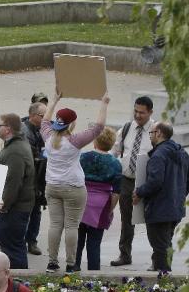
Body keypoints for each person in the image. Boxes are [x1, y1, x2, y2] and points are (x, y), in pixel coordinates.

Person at [41, 92, 109, 273]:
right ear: (72, 124)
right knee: (72, 226)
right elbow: (98, 127)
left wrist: (54, 101)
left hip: (52, 186)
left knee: (55, 225)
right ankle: (71, 264)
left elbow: (44, 122)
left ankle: (52, 263)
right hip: (73, 187)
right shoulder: (75, 141)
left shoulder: (48, 138)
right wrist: (104, 103)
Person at [134, 121, 189, 272]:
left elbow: (155, 182)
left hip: (160, 208)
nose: (150, 136)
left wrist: (139, 191)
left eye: (151, 133)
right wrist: (179, 196)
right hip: (176, 207)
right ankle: (160, 268)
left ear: (159, 133)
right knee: (165, 242)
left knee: (159, 245)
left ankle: (162, 276)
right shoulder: (182, 153)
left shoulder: (158, 155)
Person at [110, 96, 156, 267]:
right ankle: (125, 254)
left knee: (152, 219)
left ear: (150, 112)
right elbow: (114, 152)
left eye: (142, 112)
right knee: (127, 219)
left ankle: (157, 258)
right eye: (135, 111)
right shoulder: (127, 128)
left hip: (148, 181)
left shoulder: (156, 130)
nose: (137, 115)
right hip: (127, 180)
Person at [75, 128, 122, 271]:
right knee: (94, 243)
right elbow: (116, 193)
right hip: (101, 205)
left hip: (81, 200)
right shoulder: (115, 164)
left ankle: (73, 267)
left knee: (77, 239)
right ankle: (94, 273)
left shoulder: (83, 157)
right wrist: (110, 210)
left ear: (94, 141)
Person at [0, 113, 35, 270]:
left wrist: (4, 205)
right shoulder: (16, 145)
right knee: (13, 246)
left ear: (8, 129)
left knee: (12, 248)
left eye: (0, 125)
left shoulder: (15, 151)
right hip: (18, 207)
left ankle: (19, 280)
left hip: (14, 209)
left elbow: (13, 182)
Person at [22, 101, 48, 256]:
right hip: (29, 178)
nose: (46, 119)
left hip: (39, 178)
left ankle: (32, 240)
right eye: (42, 116)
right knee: (27, 211)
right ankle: (26, 240)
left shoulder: (41, 130)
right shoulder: (25, 132)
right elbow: (33, 156)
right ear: (32, 115)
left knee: (36, 211)